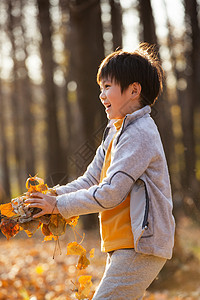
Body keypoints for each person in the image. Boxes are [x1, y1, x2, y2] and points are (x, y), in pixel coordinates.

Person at [26, 43, 175, 300]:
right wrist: (50, 196)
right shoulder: (116, 131)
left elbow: (110, 193)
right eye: (100, 88)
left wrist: (57, 205)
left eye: (107, 87)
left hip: (141, 245)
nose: (101, 95)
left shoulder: (140, 133)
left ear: (133, 90)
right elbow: (90, 179)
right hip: (123, 245)